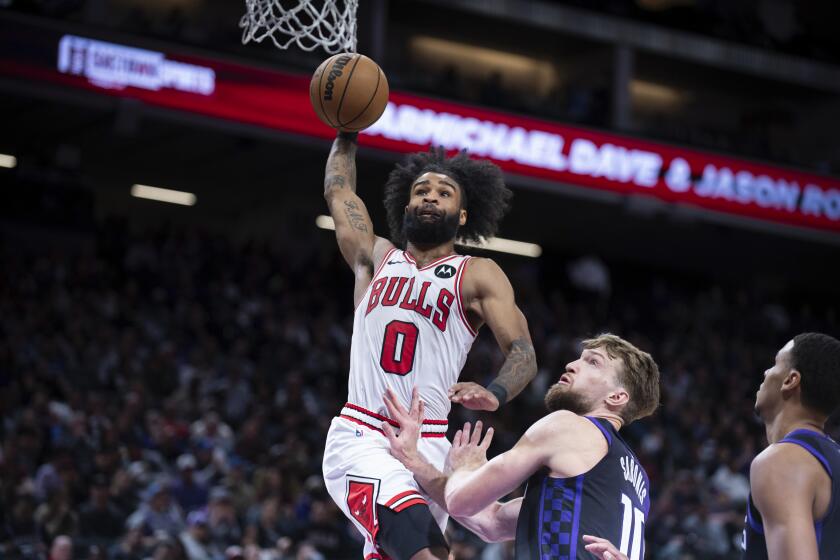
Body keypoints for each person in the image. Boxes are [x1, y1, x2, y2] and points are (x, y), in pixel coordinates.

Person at [321, 131, 538, 560]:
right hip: (365, 433)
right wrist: (347, 131)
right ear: (406, 205)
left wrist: (494, 393)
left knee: (435, 549)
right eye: (421, 190)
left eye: (444, 192)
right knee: (422, 550)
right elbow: (338, 189)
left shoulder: (476, 274)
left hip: (433, 443)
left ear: (461, 215)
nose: (430, 197)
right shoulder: (374, 257)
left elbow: (524, 352)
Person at [383, 333, 660, 560]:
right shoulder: (633, 481)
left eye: (593, 362)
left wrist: (466, 468)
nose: (572, 365)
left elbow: (461, 500)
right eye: (580, 357)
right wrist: (415, 460)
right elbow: (490, 522)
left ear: (617, 396)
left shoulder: (570, 427)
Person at [583, 332, 840, 560]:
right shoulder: (828, 461)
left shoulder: (782, 461)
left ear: (790, 380)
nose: (766, 373)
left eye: (775, 365)